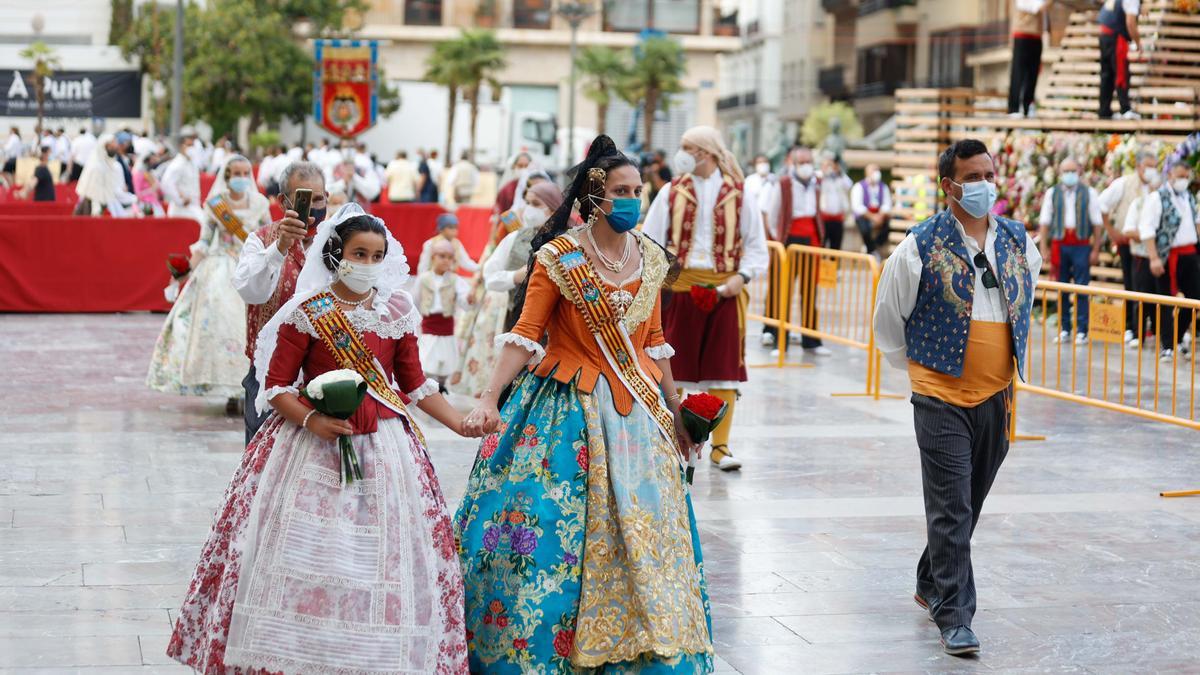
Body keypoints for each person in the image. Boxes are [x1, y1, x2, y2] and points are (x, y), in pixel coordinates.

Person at [168, 204, 475, 674]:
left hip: (386, 448)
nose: (368, 263)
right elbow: (276, 388)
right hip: (309, 447)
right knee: (308, 555)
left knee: (386, 557)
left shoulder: (396, 311)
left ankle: (375, 653)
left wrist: (459, 423)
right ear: (336, 254)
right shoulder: (307, 313)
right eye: (359, 253)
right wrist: (312, 421)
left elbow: (414, 386)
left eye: (377, 255)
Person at [457, 134, 713, 672]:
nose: (632, 199)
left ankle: (646, 644)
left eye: (638, 189)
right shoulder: (558, 257)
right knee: (555, 534)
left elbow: (654, 342)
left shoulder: (649, 255)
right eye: (621, 190)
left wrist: (677, 406)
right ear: (593, 196)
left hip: (639, 415)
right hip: (565, 410)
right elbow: (525, 334)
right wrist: (488, 397)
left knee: (648, 534)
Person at [873, 139, 1041, 657]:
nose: (984, 184)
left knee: (969, 501)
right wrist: (924, 370)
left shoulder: (1017, 240)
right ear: (949, 186)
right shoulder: (919, 245)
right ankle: (956, 615)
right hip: (938, 393)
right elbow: (889, 319)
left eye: (989, 173)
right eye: (972, 176)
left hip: (997, 392)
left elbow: (1025, 297)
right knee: (951, 503)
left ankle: (930, 578)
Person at [643, 125, 769, 472]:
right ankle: (674, 438)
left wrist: (740, 278)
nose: (681, 153)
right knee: (674, 370)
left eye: (688, 147)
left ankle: (721, 447)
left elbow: (757, 247)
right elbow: (650, 241)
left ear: (707, 152)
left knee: (723, 370)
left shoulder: (740, 195)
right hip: (679, 290)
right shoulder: (670, 192)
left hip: (724, 291)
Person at [147, 155, 272, 408]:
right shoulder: (216, 205)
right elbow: (204, 242)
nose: (240, 177)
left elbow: (270, 235)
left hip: (251, 266)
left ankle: (248, 387)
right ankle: (231, 390)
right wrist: (185, 270)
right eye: (235, 173)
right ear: (226, 177)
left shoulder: (259, 203)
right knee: (225, 325)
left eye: (245, 172)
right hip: (222, 268)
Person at [233, 161, 329, 443]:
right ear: (283, 202)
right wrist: (279, 248)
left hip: (324, 376)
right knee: (261, 467)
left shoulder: (341, 240)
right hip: (268, 375)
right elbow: (252, 291)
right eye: (304, 199)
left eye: (319, 199)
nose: (313, 207)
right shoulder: (260, 241)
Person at [451, 181, 567, 400]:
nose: (529, 209)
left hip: (558, 328)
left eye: (536, 204)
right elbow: (490, 275)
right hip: (518, 321)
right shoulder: (515, 238)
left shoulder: (569, 240)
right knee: (515, 382)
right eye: (528, 203)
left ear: (553, 208)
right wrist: (515, 276)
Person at [762, 145, 833, 355]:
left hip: (811, 241)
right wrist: (779, 240)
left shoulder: (817, 183)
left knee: (810, 292)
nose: (806, 166)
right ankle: (778, 338)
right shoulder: (783, 183)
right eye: (801, 162)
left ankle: (811, 340)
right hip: (789, 240)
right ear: (792, 163)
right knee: (782, 290)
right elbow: (773, 215)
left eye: (808, 161)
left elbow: (824, 208)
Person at [1138, 161, 1199, 361]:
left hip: (1189, 253)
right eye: (1180, 176)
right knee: (1165, 300)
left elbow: (1195, 224)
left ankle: (1178, 337)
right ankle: (1167, 345)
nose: (1183, 180)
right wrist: (1154, 257)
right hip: (1166, 255)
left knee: (1194, 299)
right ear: (1170, 175)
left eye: (1186, 176)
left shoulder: (1188, 196)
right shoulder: (1157, 198)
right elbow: (1146, 228)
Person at [1037, 157, 1103, 343]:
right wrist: (1044, 247)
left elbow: (1097, 223)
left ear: (1080, 171)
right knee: (1061, 287)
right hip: (1060, 244)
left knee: (1082, 287)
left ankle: (1082, 330)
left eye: (1073, 171)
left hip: (1081, 244)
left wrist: (1095, 249)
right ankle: (1065, 328)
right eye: (1066, 171)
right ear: (1060, 172)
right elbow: (1044, 222)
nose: (1070, 175)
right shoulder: (1052, 193)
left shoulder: (1089, 193)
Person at [1098, 151, 1159, 342]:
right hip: (1128, 242)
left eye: (1154, 166)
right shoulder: (1124, 183)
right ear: (1139, 166)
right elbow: (1102, 204)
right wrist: (1111, 230)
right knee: (1132, 286)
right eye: (1148, 166)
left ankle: (1150, 327)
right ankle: (1131, 328)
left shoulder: (1156, 187)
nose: (1151, 170)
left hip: (1149, 246)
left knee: (1150, 286)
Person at [416, 238, 470, 390]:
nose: (446, 261)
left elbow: (463, 299)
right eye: (442, 256)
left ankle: (441, 384)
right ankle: (427, 384)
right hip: (429, 324)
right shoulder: (424, 278)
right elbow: (415, 300)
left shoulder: (455, 280)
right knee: (427, 357)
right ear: (433, 257)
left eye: (449, 257)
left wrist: (469, 299)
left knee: (446, 357)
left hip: (446, 324)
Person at [1098, 0, 1142, 120]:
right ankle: (1125, 109)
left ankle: (1104, 111)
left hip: (1104, 34)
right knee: (1121, 74)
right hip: (1116, 37)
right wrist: (1138, 43)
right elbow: (1130, 23)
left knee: (1107, 75)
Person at [73, 134, 135, 216]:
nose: (115, 147)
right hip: (94, 209)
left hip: (110, 207)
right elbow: (91, 194)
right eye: (112, 145)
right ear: (105, 147)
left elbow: (115, 192)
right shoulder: (96, 167)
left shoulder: (112, 165)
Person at [1008, 0, 1049, 118]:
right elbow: (1038, 7)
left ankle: (1027, 106)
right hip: (1022, 35)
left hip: (1037, 36)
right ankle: (1014, 108)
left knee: (1033, 73)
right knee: (1018, 73)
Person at [161, 130, 205, 223]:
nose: (192, 148)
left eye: (193, 145)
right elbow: (166, 183)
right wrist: (180, 199)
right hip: (182, 210)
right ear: (181, 146)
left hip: (193, 207)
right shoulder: (178, 164)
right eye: (189, 145)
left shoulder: (191, 163)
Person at [852, 163, 894, 257]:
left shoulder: (883, 187)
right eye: (874, 170)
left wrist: (880, 216)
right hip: (866, 216)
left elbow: (887, 204)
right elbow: (858, 207)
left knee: (889, 226)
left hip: (879, 215)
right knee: (864, 229)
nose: (876, 173)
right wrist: (872, 217)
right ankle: (872, 250)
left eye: (877, 170)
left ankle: (871, 246)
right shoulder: (859, 186)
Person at [818, 154, 853, 250]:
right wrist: (824, 171)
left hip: (837, 219)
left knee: (836, 247)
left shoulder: (840, 178)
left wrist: (839, 172)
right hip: (823, 219)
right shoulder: (820, 177)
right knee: (821, 245)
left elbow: (849, 184)